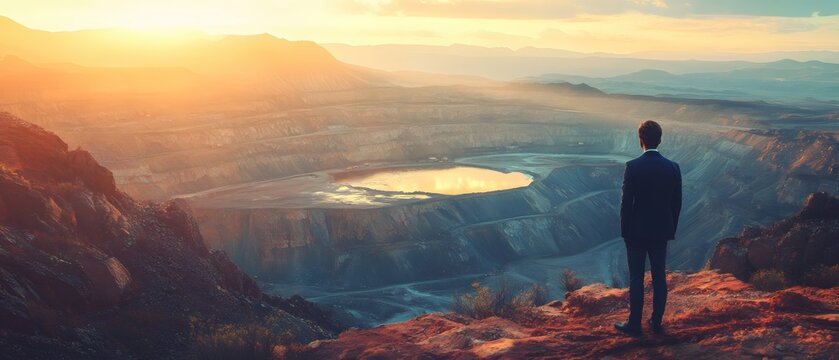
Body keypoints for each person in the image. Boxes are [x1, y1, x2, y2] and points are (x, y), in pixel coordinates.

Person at [614, 120, 682, 336]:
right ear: (659, 140)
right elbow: (676, 203)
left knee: (636, 278)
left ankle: (634, 324)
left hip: (635, 233)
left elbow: (626, 204)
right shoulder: (673, 167)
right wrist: (670, 228)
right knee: (659, 277)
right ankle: (656, 322)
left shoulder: (633, 166)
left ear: (640, 140)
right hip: (661, 232)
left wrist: (625, 231)